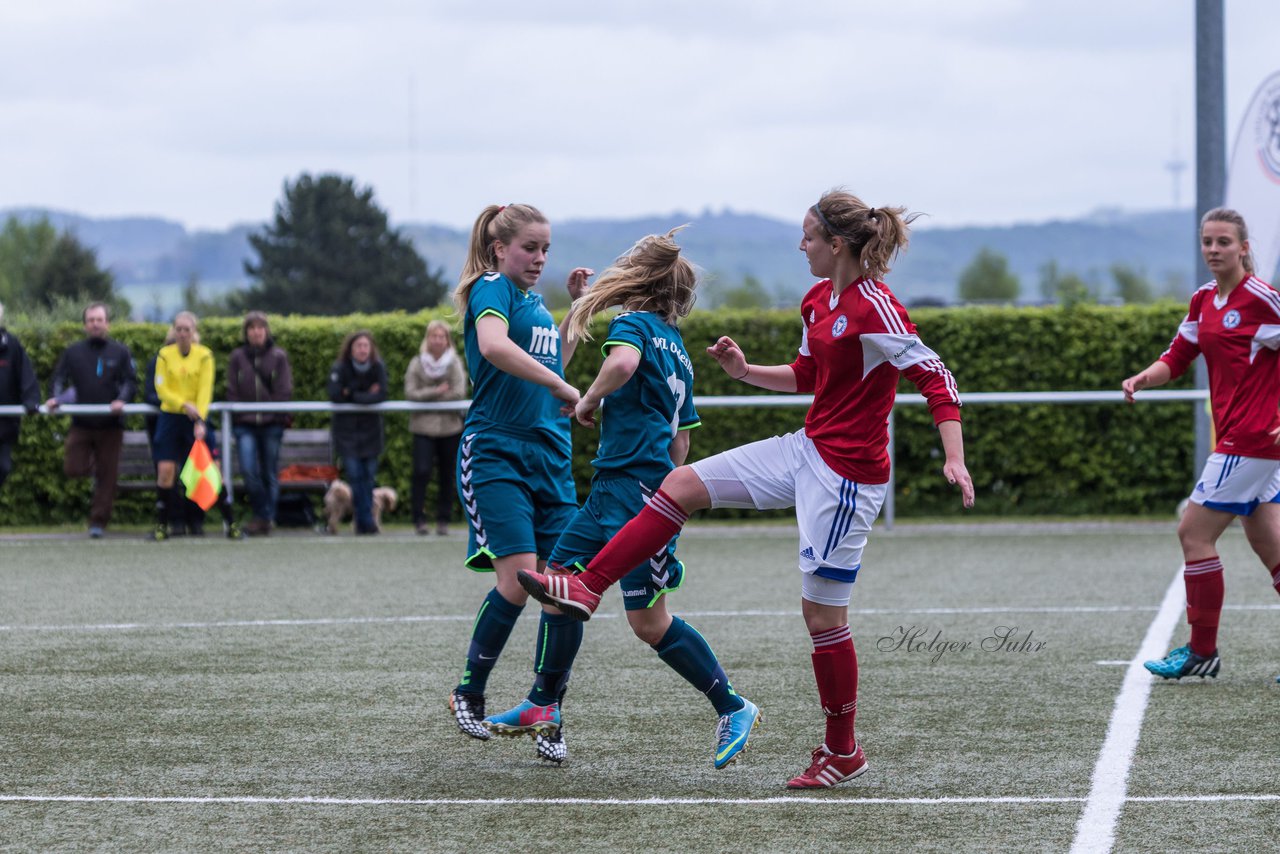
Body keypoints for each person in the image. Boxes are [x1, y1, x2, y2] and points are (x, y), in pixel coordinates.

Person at [519, 190, 975, 787]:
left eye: (808, 236)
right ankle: (584, 587)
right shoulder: (817, 301)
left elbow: (935, 376)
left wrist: (955, 457)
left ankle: (843, 751)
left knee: (822, 617)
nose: (801, 245)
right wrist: (745, 372)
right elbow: (808, 375)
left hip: (846, 480)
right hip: (806, 448)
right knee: (681, 483)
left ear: (837, 244)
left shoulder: (875, 306)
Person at [483, 229, 762, 769]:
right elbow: (682, 440)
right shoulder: (678, 349)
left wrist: (588, 401)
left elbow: (621, 366)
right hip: (621, 488)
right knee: (559, 578)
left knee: (649, 624)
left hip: (634, 494)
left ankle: (733, 705)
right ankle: (544, 703)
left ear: (641, 282)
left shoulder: (630, 326)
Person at [446, 203, 593, 765]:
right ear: (499, 249)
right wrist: (562, 384)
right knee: (519, 578)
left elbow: (550, 358)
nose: (539, 258)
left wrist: (576, 310)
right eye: (530, 247)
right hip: (497, 452)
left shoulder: (532, 302)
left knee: (566, 591)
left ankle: (548, 709)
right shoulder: (491, 288)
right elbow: (493, 348)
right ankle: (470, 691)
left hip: (550, 459)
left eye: (546, 249)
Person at [1124, 207, 1280, 685]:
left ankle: (1202, 652)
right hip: (1244, 441)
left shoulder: (1261, 299)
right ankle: (1202, 651)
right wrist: (1144, 379)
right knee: (1270, 545)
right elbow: (1179, 354)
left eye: (1224, 242)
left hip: (1251, 439)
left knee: (1193, 533)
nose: (1214, 250)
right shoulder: (1203, 300)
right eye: (1207, 242)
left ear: (1244, 248)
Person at [45, 302, 138, 538]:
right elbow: (58, 378)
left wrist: (122, 400)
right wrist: (55, 398)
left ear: (107, 323)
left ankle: (98, 523)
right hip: (82, 424)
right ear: (85, 325)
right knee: (73, 467)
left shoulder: (120, 352)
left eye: (99, 320)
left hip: (110, 426)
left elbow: (130, 382)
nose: (95, 324)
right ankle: (96, 466)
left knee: (108, 478)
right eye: (91, 320)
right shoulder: (73, 352)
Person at [149, 311, 240, 540]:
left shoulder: (204, 356)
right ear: (173, 331)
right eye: (178, 329)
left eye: (186, 329)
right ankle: (162, 526)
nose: (182, 334)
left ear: (194, 332)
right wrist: (183, 404)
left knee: (212, 471)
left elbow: (205, 390)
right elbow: (162, 390)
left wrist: (199, 419)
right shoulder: (164, 355)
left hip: (196, 418)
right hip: (171, 417)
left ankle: (231, 524)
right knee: (166, 471)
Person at [227, 311, 294, 537]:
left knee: (269, 472)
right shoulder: (237, 357)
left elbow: (284, 390)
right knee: (248, 470)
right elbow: (232, 391)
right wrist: (242, 415)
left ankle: (266, 519)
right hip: (245, 423)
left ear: (266, 331)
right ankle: (263, 514)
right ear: (246, 332)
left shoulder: (279, 357)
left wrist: (269, 414)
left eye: (260, 327)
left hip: (271, 424)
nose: (256, 332)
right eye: (252, 328)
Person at [404, 319, 466, 535]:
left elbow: (459, 392)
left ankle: (443, 519)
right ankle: (418, 519)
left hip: (450, 428)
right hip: (422, 428)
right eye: (434, 336)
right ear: (428, 339)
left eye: (442, 336)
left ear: (447, 340)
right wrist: (437, 392)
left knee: (447, 475)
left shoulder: (455, 362)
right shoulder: (416, 363)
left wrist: (428, 394)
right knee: (421, 472)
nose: (438, 340)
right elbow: (411, 393)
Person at [326, 330, 388, 535]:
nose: (362, 349)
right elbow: (336, 395)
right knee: (355, 476)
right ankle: (364, 521)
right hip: (347, 434)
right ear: (350, 349)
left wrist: (350, 393)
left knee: (368, 478)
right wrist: (362, 393)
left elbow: (380, 395)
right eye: (358, 346)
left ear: (370, 349)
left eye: (365, 346)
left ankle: (364, 520)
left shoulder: (378, 367)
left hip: (371, 433)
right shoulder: (340, 368)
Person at [0, 301, 41, 494]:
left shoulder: (12, 345)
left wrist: (31, 399)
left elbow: (26, 375)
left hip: (4, 425)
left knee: (3, 467)